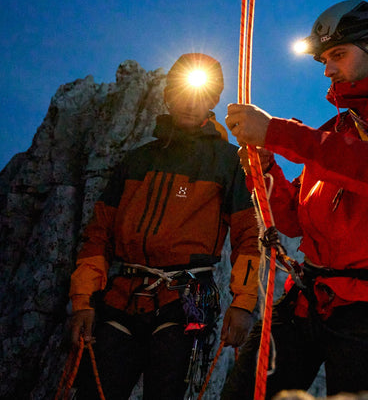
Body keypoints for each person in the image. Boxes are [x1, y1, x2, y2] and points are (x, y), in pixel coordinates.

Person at [221, 0, 368, 397]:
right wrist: (267, 168)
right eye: (324, 60)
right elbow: (293, 222)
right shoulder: (337, 129)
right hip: (308, 296)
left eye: (338, 55)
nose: (327, 69)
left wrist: (278, 133)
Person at [68, 52, 260, 400]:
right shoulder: (137, 159)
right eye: (183, 92)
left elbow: (249, 236)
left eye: (202, 96)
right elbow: (99, 234)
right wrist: (83, 301)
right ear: (169, 95)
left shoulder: (228, 162)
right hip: (123, 294)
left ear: (213, 102)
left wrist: (244, 304)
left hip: (188, 297)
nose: (191, 103)